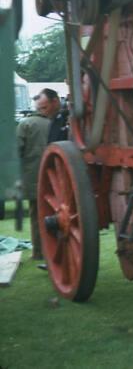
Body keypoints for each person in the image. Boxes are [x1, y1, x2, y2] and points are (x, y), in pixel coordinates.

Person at [17, 93, 56, 260]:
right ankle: (54, 248)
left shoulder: (25, 124)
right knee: (55, 214)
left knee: (36, 215)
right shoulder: (54, 124)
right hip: (55, 178)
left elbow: (16, 151)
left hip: (33, 178)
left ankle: (39, 252)